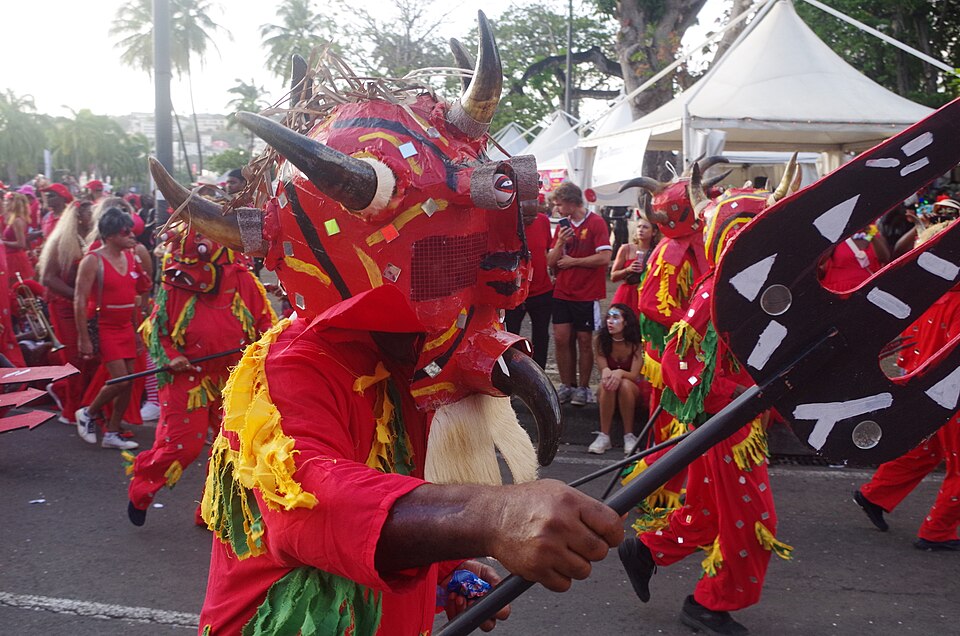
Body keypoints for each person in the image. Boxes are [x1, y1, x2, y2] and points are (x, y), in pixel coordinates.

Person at [151, 19, 626, 631]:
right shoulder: (292, 365)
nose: (485, 278)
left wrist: (446, 567)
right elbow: (312, 504)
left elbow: (400, 495)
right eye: (445, 258)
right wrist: (487, 516)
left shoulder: (412, 358)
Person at [618, 174, 792, 636]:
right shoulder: (718, 287)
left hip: (742, 416)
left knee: (711, 508)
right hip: (725, 422)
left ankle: (650, 549)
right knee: (754, 518)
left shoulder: (757, 284)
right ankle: (710, 605)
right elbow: (679, 354)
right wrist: (726, 397)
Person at [126, 227, 276, 526]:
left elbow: (265, 325)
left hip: (233, 378)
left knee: (231, 449)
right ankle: (142, 487)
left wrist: (261, 353)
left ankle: (214, 513)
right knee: (183, 446)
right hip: (187, 377)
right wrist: (172, 357)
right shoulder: (175, 281)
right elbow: (158, 331)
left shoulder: (243, 279)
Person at [853, 222, 960, 551]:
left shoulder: (927, 295)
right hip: (949, 392)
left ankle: (875, 495)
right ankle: (938, 531)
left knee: (925, 450)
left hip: (923, 386)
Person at [74, 208, 149, 450]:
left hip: (127, 325)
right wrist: (83, 337)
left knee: (129, 380)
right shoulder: (92, 260)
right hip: (105, 327)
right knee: (120, 380)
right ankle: (88, 412)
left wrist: (138, 331)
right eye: (125, 231)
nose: (131, 236)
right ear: (110, 234)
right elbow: (79, 300)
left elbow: (139, 293)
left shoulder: (130, 257)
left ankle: (113, 432)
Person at [547, 181, 612, 406]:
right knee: (561, 338)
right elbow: (551, 261)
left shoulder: (596, 223)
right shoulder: (562, 228)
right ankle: (567, 385)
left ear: (572, 203)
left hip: (586, 293)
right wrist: (560, 243)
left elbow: (604, 258)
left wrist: (574, 261)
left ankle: (583, 388)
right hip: (563, 292)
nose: (557, 209)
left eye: (560, 205)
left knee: (585, 341)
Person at [38, 200, 95, 423]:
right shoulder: (62, 241)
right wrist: (78, 295)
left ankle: (63, 391)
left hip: (83, 307)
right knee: (74, 359)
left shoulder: (92, 238)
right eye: (92, 213)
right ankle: (70, 410)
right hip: (63, 307)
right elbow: (47, 278)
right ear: (80, 217)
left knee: (90, 358)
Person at [504, 200, 553, 368]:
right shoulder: (506, 223)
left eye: (533, 213)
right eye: (525, 215)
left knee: (541, 336)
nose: (531, 218)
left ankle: (540, 373)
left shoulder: (543, 220)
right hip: (514, 293)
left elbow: (547, 251)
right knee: (510, 336)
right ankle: (512, 374)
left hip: (541, 291)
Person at [590, 303, 644, 455]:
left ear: (625, 322)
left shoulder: (636, 343)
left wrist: (619, 373)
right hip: (609, 388)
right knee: (607, 383)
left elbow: (633, 375)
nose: (610, 321)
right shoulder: (600, 340)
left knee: (625, 384)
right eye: (608, 317)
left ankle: (629, 435)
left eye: (615, 317)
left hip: (631, 389)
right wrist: (609, 371)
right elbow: (603, 368)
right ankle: (604, 435)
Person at [610, 215, 660, 317]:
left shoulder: (658, 251)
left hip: (647, 295)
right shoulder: (626, 249)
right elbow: (613, 277)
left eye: (645, 227)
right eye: (639, 227)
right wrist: (628, 270)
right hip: (627, 294)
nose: (641, 230)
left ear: (654, 232)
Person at [2, 192, 36, 284]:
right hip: (10, 257)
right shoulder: (13, 219)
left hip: (15, 260)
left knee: (16, 288)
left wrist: (3, 242)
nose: (4, 203)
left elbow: (21, 244)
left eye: (6, 201)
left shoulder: (17, 221)